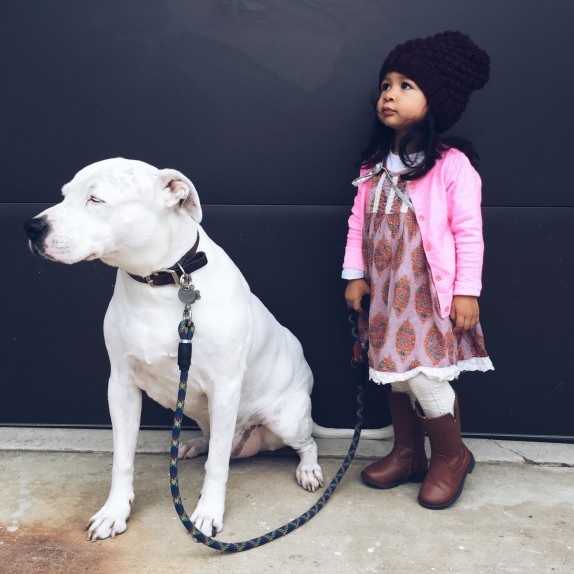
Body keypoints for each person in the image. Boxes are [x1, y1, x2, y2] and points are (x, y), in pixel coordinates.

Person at [342, 30, 494, 509]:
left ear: (435, 103)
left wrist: (467, 290)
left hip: (427, 294)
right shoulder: (374, 166)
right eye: (386, 84)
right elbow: (357, 224)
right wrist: (354, 274)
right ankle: (408, 454)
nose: (389, 94)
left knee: (424, 374)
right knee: (393, 371)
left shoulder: (451, 166)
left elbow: (468, 231)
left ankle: (451, 455)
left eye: (406, 85)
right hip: (387, 292)